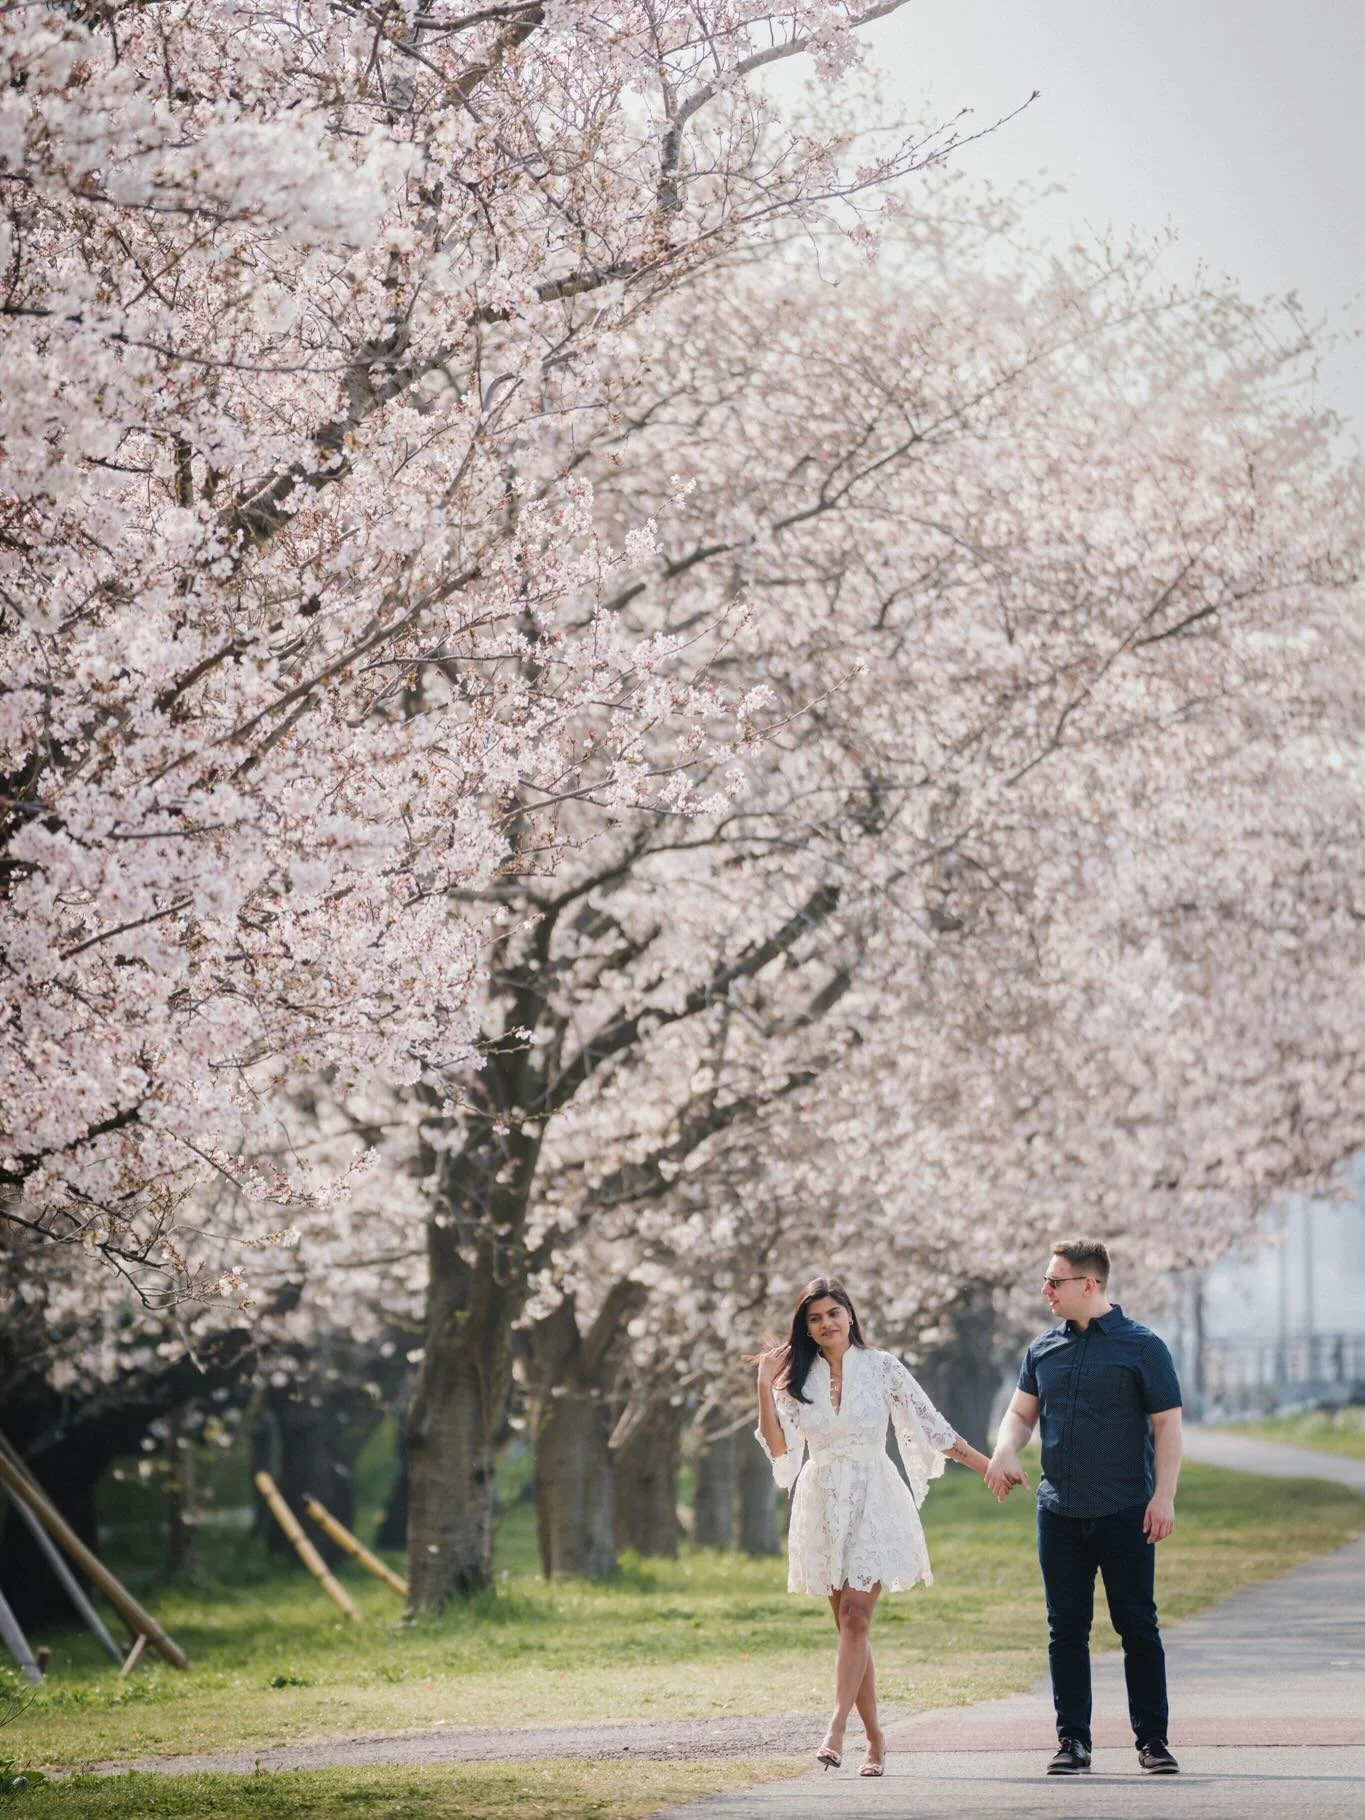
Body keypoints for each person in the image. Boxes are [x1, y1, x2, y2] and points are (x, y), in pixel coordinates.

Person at [754, 1276, 993, 1778]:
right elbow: (779, 1450)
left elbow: (933, 1427)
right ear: (807, 1327)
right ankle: (878, 1740)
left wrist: (986, 1466)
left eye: (833, 1313)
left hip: (875, 1497)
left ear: (851, 1315)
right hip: (822, 1501)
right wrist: (763, 1385)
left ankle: (836, 1726)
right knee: (849, 1625)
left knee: (859, 1614)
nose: (825, 1324)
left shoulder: (884, 1368)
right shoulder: (794, 1382)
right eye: (815, 1318)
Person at [986, 1238, 1184, 1778]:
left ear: (1088, 1284)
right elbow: (1021, 1414)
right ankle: (1073, 1742)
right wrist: (1006, 1448)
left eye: (1054, 1281)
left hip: (1127, 1510)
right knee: (1065, 1631)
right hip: (1059, 1512)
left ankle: (1153, 1741)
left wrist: (1163, 1495)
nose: (1045, 1290)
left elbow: (1167, 1424)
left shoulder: (1143, 1347)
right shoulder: (1042, 1349)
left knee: (1138, 1627)